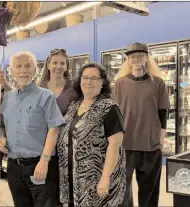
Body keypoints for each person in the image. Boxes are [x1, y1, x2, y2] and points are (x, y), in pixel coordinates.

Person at [0, 51, 66, 207]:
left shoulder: (46, 96)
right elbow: (2, 125)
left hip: (39, 165)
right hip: (14, 168)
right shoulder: (7, 99)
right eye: (18, 66)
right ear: (11, 71)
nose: (23, 71)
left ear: (35, 70)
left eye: (28, 66)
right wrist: (1, 138)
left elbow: (54, 129)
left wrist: (44, 161)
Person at [58, 62, 126, 207]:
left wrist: (105, 177)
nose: (88, 82)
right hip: (71, 178)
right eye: (85, 78)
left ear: (102, 83)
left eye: (94, 78)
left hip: (96, 180)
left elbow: (115, 145)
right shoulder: (74, 106)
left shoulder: (109, 107)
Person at [113, 42, 170, 207]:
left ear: (147, 58)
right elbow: (115, 114)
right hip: (125, 145)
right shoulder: (120, 83)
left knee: (149, 193)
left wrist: (161, 139)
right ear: (127, 60)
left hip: (150, 145)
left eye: (140, 55)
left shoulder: (158, 83)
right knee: (122, 192)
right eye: (132, 56)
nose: (136, 59)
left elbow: (163, 112)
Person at [39, 48, 79, 207]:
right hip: (45, 143)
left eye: (62, 63)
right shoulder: (39, 87)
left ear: (67, 66)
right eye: (55, 62)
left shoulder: (75, 87)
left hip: (69, 145)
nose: (58, 66)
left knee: (69, 185)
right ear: (48, 65)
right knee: (49, 187)